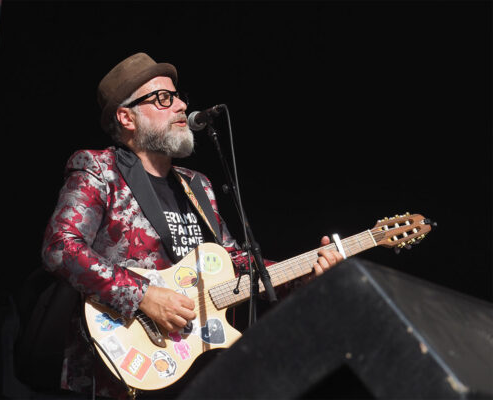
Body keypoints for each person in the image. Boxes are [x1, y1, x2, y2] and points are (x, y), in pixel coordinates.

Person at [41, 52, 343, 398]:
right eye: (163, 99)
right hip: (122, 368)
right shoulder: (100, 169)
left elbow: (233, 263)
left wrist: (305, 272)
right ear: (127, 117)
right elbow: (60, 246)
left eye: (178, 96)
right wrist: (144, 295)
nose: (182, 105)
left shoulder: (197, 185)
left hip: (196, 370)